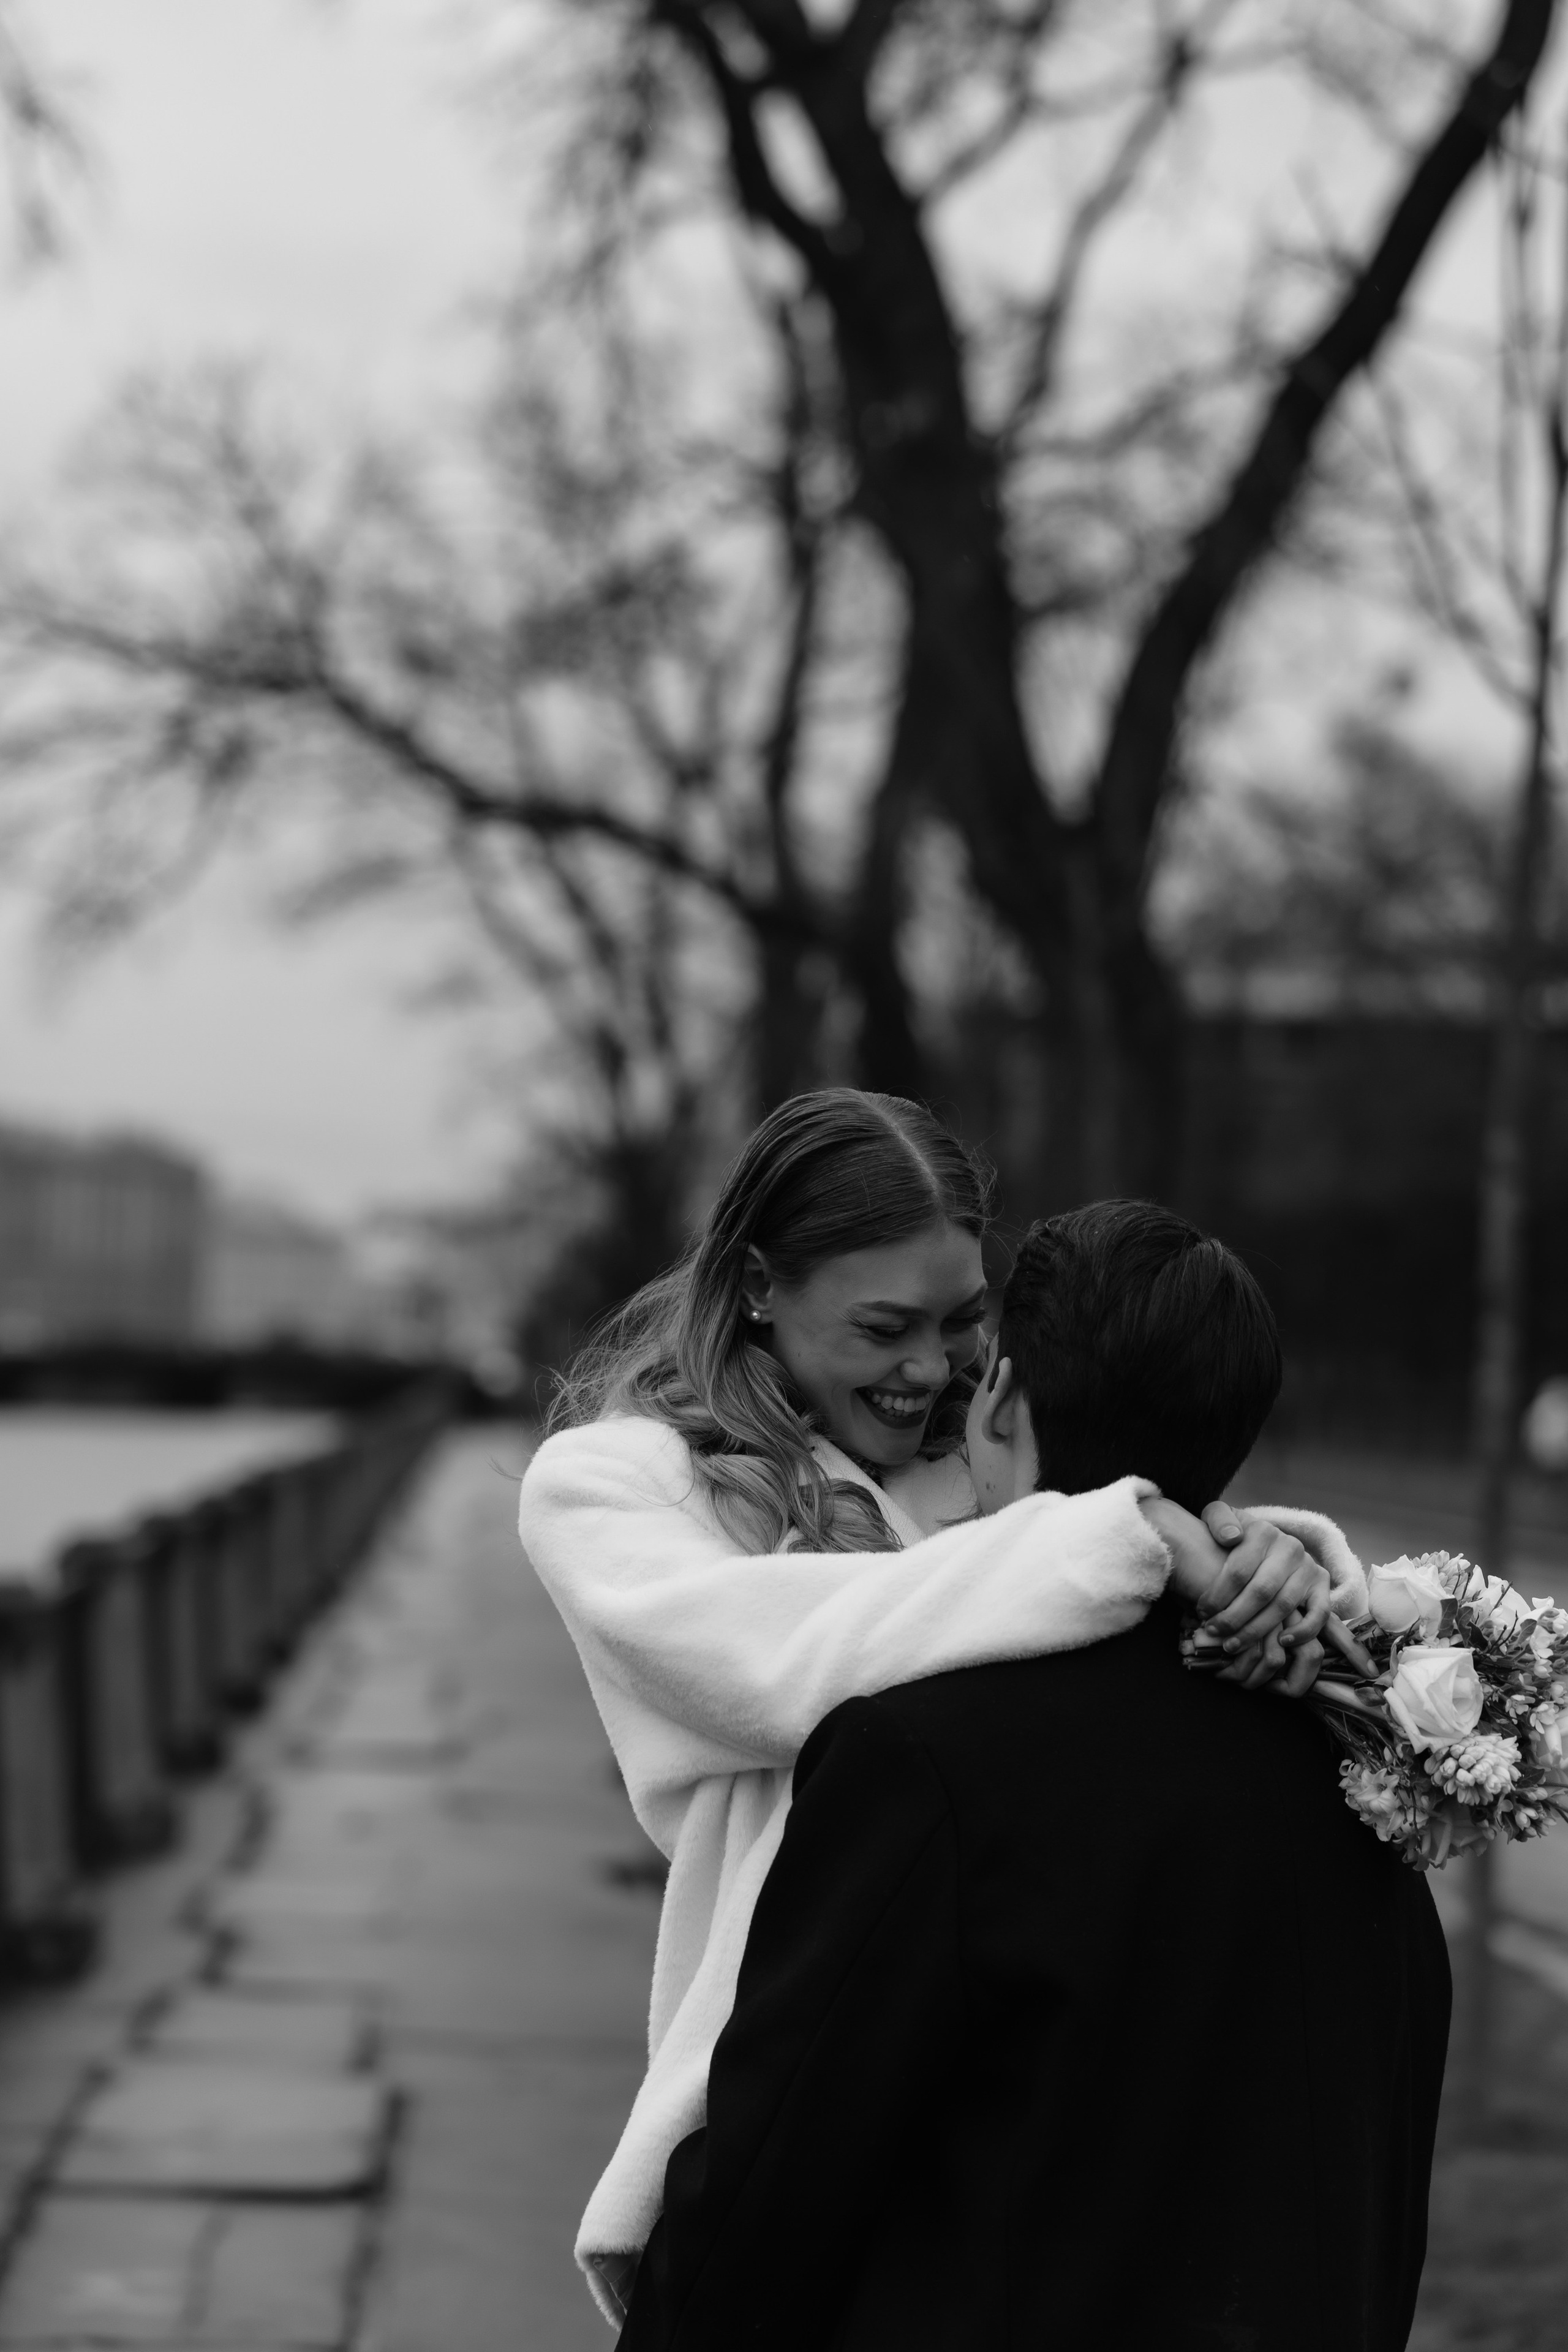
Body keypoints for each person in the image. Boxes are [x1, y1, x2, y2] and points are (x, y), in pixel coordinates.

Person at [518, 1095, 1365, 2321]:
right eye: (884, 1327)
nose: (928, 1368)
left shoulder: (978, 1462)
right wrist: (1126, 1531)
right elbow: (785, 1666)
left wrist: (1269, 1557)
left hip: (1002, 2065)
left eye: (962, 1319)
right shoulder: (612, 1487)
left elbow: (1101, 1588)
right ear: (755, 1286)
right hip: (785, 2090)